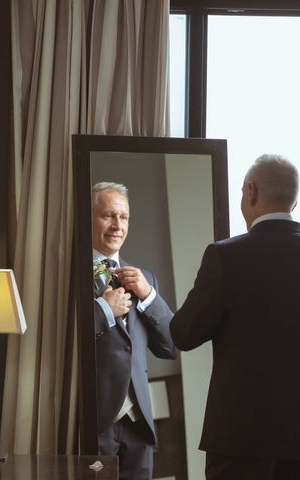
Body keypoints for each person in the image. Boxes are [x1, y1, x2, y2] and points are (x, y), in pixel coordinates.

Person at [170, 154, 300, 480]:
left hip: (241, 435)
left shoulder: (225, 256)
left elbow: (184, 334)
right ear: (294, 200)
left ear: (250, 191)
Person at [92, 181, 178, 480]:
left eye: (124, 217)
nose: (117, 225)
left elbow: (170, 345)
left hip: (138, 423)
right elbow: (62, 341)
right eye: (108, 215)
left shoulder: (145, 278)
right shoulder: (70, 272)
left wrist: (149, 295)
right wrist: (103, 310)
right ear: (90, 218)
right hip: (94, 424)